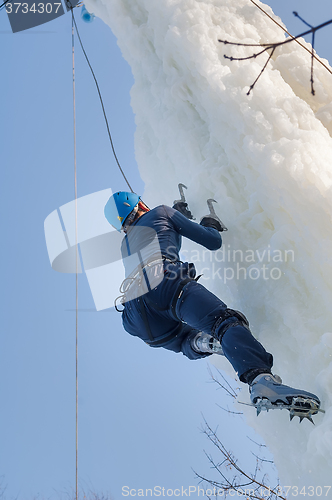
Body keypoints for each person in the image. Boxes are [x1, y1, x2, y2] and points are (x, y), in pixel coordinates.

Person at [104, 191, 321, 422]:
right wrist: (208, 223)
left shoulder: (125, 245)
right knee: (223, 322)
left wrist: (177, 217)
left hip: (135, 318)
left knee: (182, 340)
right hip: (163, 284)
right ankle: (261, 382)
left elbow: (154, 242)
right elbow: (212, 241)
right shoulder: (161, 211)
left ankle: (204, 342)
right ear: (140, 204)